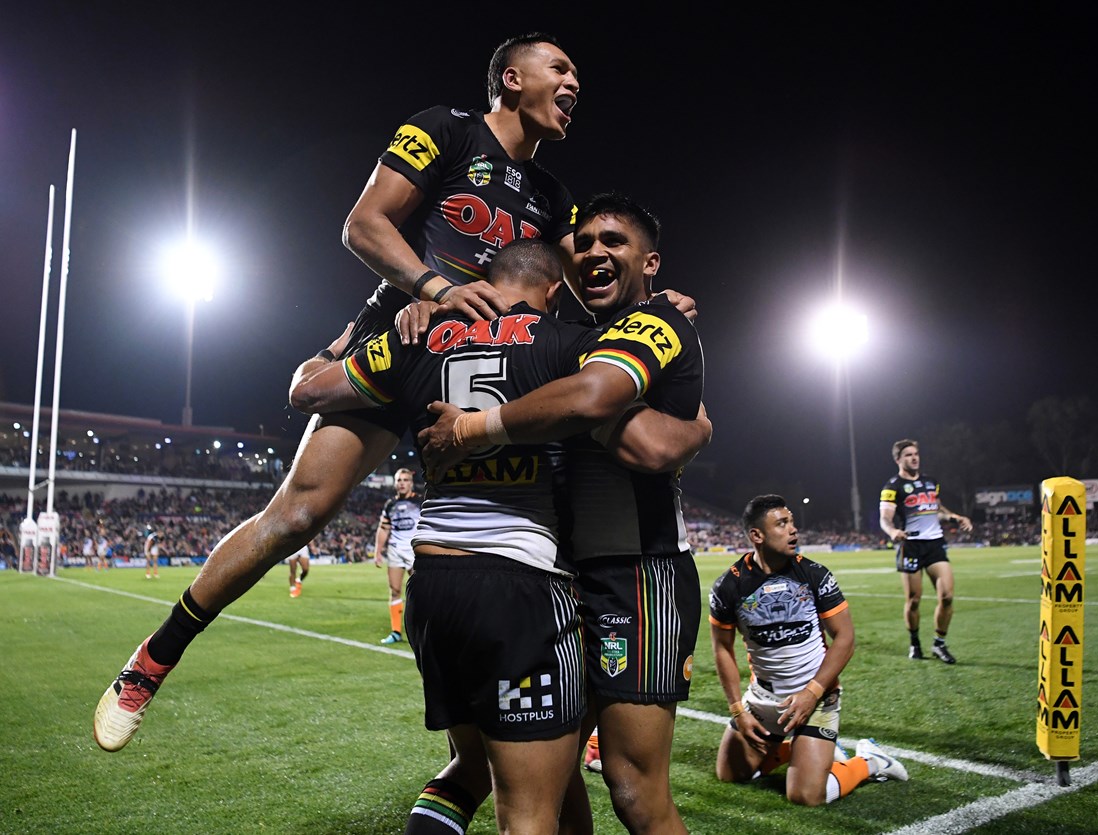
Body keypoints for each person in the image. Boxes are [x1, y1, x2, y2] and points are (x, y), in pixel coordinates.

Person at [92, 31, 585, 754]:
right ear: (512, 78)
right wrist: (433, 289)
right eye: (560, 68)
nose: (574, 83)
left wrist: (651, 307)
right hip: (409, 341)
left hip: (494, 370)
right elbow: (363, 224)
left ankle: (566, 717)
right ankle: (153, 657)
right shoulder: (447, 130)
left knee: (564, 509)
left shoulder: (554, 197)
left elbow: (584, 290)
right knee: (298, 514)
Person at [290, 237, 708, 835]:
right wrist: (696, 414)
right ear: (554, 290)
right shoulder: (568, 345)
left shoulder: (418, 336)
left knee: (470, 768)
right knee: (529, 811)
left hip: (432, 585)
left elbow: (307, 390)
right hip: (521, 586)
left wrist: (358, 329)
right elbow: (648, 442)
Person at [419, 193, 706, 835]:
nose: (595, 252)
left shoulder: (657, 324)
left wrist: (484, 423)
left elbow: (649, 445)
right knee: (548, 772)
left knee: (633, 789)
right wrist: (425, 301)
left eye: (615, 241)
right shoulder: (566, 340)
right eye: (585, 243)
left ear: (650, 262)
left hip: (639, 576)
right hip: (555, 578)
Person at [708, 494, 908, 806]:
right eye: (782, 524)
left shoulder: (814, 574)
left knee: (806, 795)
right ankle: (802, 752)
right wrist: (737, 709)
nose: (793, 529)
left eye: (791, 522)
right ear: (757, 535)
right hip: (763, 700)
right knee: (730, 774)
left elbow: (845, 638)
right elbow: (722, 649)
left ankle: (870, 761)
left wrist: (812, 693)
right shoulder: (728, 586)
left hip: (815, 697)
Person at [878, 438, 974, 663]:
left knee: (947, 596)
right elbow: (885, 517)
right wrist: (892, 531)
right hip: (911, 545)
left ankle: (939, 644)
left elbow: (936, 508)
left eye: (916, 454)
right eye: (908, 455)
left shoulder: (931, 482)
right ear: (898, 459)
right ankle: (915, 643)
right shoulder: (892, 487)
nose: (914, 458)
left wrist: (955, 517)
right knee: (913, 600)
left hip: (934, 544)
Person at [372, 467, 421, 643]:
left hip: (415, 550)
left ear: (411, 483)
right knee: (395, 591)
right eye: (399, 480)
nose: (402, 483)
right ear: (395, 483)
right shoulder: (390, 504)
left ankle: (421, 630)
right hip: (395, 550)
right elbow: (383, 528)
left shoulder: (420, 501)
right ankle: (396, 632)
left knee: (420, 592)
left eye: (405, 480)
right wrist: (377, 551)